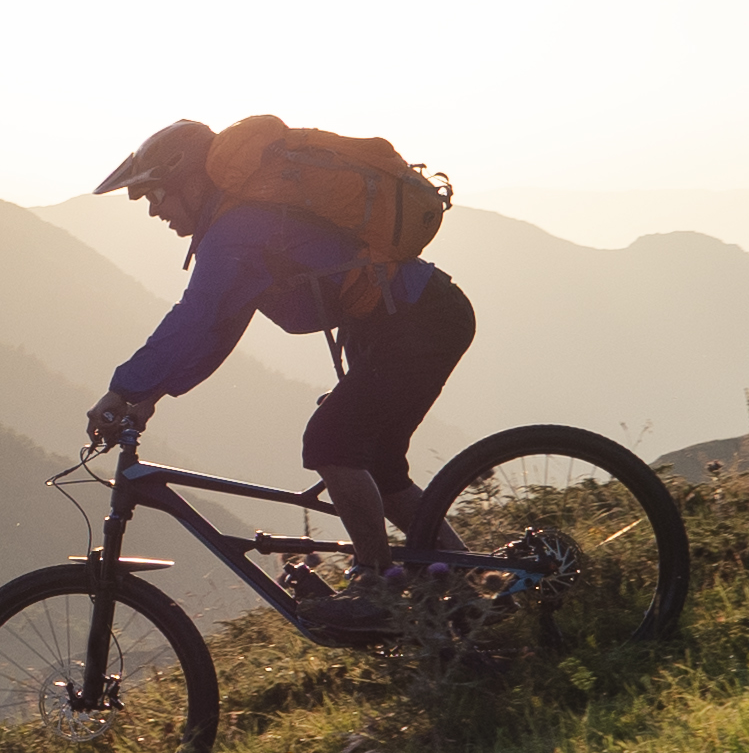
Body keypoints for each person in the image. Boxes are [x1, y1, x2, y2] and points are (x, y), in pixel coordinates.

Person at [81, 117, 478, 572]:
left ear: (190, 182)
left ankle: (376, 581)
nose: (154, 211)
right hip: (411, 320)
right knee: (380, 468)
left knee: (332, 443)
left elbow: (195, 316)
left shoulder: (238, 228)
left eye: (156, 195)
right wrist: (149, 395)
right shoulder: (239, 228)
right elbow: (218, 328)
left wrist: (124, 388)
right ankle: (467, 579)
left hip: (416, 323)